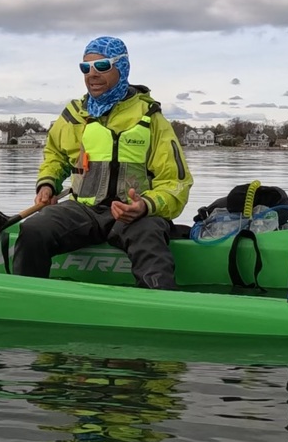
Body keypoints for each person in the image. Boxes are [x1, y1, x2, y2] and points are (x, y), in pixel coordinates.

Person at [11, 36, 193, 289]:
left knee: (150, 242)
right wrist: (48, 184)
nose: (92, 74)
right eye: (86, 68)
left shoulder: (151, 118)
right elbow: (55, 155)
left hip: (135, 215)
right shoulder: (74, 115)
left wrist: (145, 206)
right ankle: (25, 299)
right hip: (83, 211)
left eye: (102, 66)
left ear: (122, 67)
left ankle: (161, 308)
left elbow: (176, 182)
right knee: (33, 231)